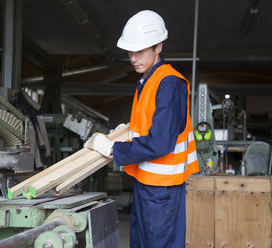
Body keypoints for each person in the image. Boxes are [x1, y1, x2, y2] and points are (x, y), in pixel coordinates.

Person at [84, 10, 199, 248]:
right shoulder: (147, 80)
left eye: (140, 51)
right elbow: (147, 126)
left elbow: (160, 142)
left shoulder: (169, 83)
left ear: (158, 47)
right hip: (147, 184)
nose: (133, 57)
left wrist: (114, 149)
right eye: (130, 51)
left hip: (162, 190)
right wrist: (126, 132)